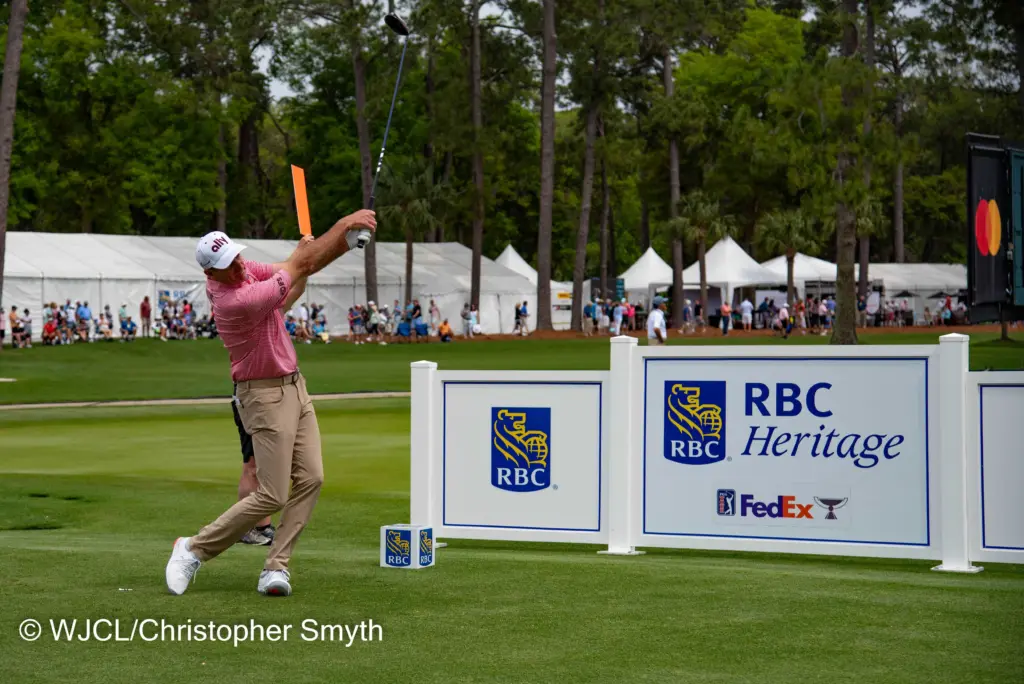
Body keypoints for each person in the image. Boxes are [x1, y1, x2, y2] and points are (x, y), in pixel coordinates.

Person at [165, 208, 376, 597]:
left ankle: (275, 566)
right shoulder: (235, 300)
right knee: (273, 494)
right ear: (211, 274)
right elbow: (299, 265)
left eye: (237, 256)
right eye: (229, 265)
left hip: (295, 386)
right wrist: (346, 226)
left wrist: (340, 247)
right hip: (261, 395)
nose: (240, 265)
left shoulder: (243, 272)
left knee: (312, 477)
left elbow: (298, 267)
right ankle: (193, 548)